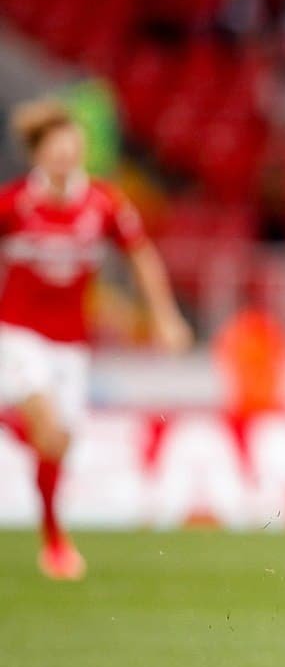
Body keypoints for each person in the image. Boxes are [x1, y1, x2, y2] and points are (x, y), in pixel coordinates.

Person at [0, 98, 192, 580]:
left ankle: (50, 530)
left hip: (71, 345)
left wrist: (164, 315)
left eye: (72, 147)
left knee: (57, 443)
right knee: (46, 424)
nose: (66, 156)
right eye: (56, 148)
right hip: (19, 334)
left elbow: (141, 256)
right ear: (37, 153)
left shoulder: (103, 203)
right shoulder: (14, 204)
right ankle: (55, 542)